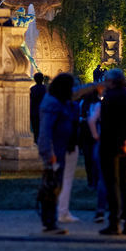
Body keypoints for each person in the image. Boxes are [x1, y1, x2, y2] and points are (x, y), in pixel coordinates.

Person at [96, 70, 126, 236]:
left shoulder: (110, 98)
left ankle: (114, 222)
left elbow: (107, 123)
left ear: (111, 82)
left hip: (110, 145)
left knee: (112, 184)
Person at [36, 74, 82, 233]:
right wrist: (48, 153)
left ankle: (50, 221)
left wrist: (98, 85)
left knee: (56, 186)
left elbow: (78, 91)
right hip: (54, 152)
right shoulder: (52, 104)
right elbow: (45, 132)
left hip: (61, 149)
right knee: (51, 187)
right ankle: (49, 222)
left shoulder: (59, 101)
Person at [28, 72, 47, 144]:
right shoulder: (45, 89)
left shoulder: (33, 89)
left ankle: (36, 140)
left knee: (35, 128)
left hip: (34, 111)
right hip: (42, 111)